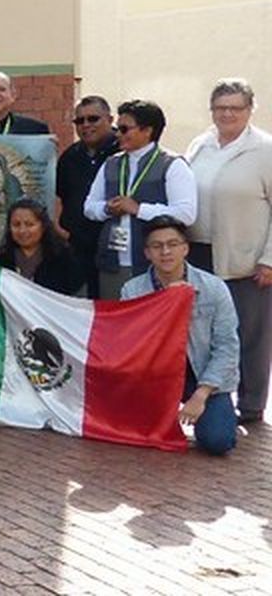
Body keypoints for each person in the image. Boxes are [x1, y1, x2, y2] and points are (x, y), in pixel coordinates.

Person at [184, 78, 272, 424]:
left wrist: (269, 260)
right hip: (199, 254)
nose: (227, 114)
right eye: (220, 108)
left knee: (250, 333)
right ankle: (210, 399)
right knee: (204, 331)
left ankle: (250, 405)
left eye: (235, 108)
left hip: (245, 260)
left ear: (250, 109)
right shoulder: (200, 144)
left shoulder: (265, 150)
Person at [120, 216, 239, 455]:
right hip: (155, 377)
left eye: (173, 244)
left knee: (218, 440)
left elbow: (227, 347)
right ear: (147, 253)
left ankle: (217, 414)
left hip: (202, 375)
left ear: (185, 248)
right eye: (157, 246)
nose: (165, 252)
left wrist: (201, 394)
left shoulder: (214, 288)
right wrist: (163, 303)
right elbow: (131, 343)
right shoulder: (132, 290)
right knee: (131, 433)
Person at [82, 99, 196, 299]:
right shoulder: (111, 163)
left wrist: (138, 209)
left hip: (154, 263)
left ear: (147, 131)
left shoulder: (173, 164)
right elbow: (89, 207)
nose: (118, 134)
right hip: (113, 262)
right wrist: (107, 209)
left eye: (124, 129)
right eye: (118, 128)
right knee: (115, 314)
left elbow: (185, 214)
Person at [56, 95, 120, 297]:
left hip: (116, 248)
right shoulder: (70, 157)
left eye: (93, 119)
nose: (86, 125)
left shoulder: (124, 153)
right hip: (79, 250)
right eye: (79, 120)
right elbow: (63, 197)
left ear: (110, 119)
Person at [0, 198, 84, 295]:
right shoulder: (0, 263)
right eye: (16, 225)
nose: (22, 230)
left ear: (43, 226)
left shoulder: (64, 260)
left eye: (29, 224)